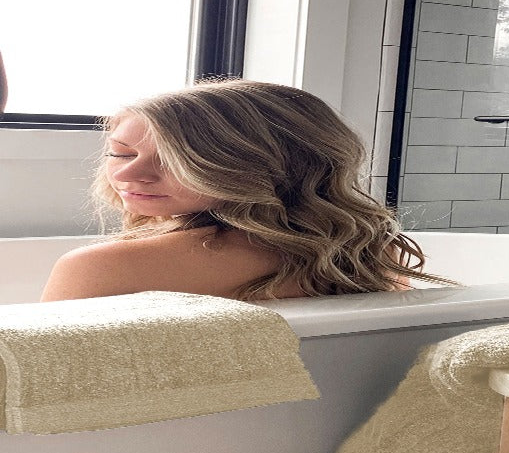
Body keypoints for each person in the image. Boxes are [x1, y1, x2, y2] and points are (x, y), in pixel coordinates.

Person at [41, 79, 451, 302]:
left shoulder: (99, 268)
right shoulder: (365, 250)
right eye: (120, 153)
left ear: (269, 165)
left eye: (176, 159)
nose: (132, 175)